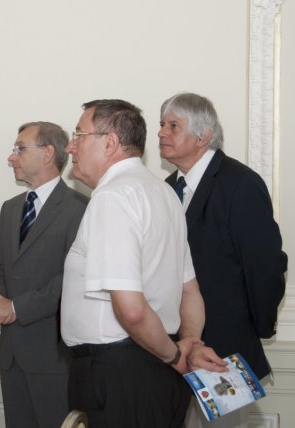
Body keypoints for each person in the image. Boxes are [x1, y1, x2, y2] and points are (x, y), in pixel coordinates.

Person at [60, 99, 227, 428]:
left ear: (110, 142)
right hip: (156, 368)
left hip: (118, 374)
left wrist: (177, 356)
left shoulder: (113, 197)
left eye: (79, 135)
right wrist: (190, 344)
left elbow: (132, 311)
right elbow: (190, 291)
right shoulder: (164, 193)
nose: (70, 146)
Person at [158, 92, 288, 427]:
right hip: (173, 350)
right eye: (162, 124)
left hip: (225, 350)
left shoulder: (240, 183)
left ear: (203, 136)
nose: (161, 132)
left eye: (173, 126)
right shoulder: (166, 188)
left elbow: (266, 267)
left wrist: (253, 329)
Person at [0, 121, 88, 428]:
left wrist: (16, 308)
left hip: (53, 358)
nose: (11, 157)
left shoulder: (80, 208)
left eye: (19, 149)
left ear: (47, 153)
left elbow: (73, 280)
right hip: (11, 356)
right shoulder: (10, 208)